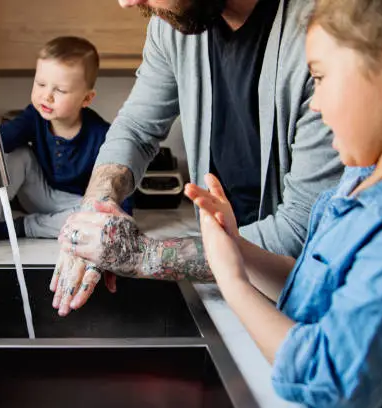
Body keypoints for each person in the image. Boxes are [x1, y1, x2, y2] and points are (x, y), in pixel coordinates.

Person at [50, 0, 344, 317]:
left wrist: (144, 256)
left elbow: (300, 235)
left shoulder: (328, 31)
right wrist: (97, 205)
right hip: (231, 286)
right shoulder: (177, 22)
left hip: (316, 304)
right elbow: (136, 130)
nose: (126, 2)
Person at [184, 0, 382, 405]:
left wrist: (233, 285)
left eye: (319, 77)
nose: (314, 103)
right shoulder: (356, 181)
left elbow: (327, 379)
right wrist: (237, 249)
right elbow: (317, 288)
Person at [0, 36, 132, 248]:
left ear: (87, 99)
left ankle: (24, 227)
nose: (46, 96)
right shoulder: (33, 117)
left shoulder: (102, 135)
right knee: (16, 153)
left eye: (59, 90)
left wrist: (118, 214)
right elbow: (5, 136)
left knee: (104, 214)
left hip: (75, 204)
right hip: (37, 193)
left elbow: (118, 189)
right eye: (41, 84)